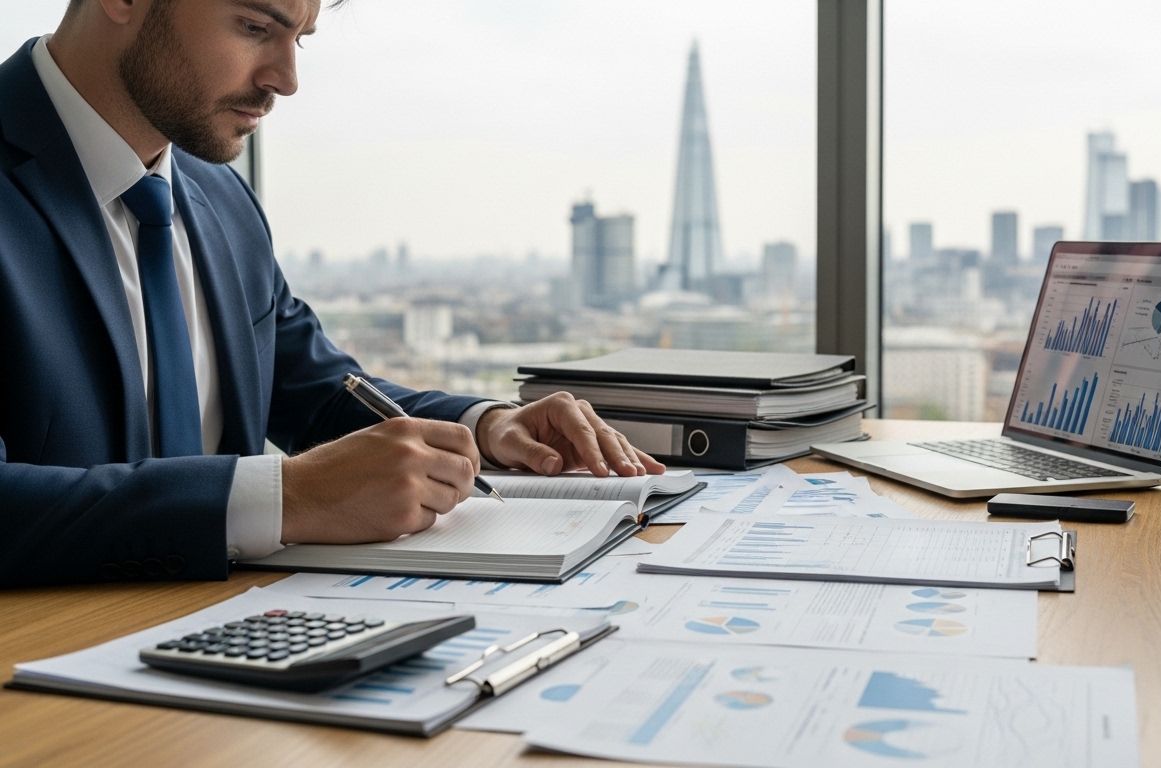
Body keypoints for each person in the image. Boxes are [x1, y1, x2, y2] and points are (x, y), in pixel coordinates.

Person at [0, 0, 665, 588]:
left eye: (300, 40)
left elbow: (312, 388)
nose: (285, 80)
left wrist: (485, 427)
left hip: (226, 642)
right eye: (255, 26)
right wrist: (285, 498)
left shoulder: (218, 194)